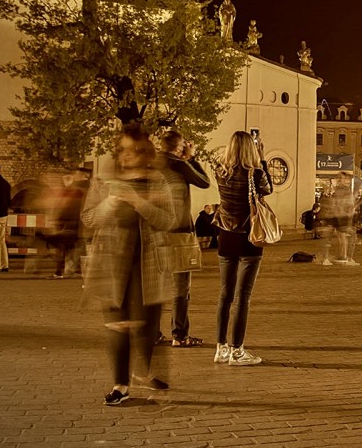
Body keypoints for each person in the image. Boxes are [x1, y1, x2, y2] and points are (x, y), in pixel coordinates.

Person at [81, 125, 179, 405]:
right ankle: (120, 385)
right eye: (123, 149)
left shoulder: (156, 180)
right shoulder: (104, 181)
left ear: (145, 152)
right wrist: (109, 205)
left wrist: (139, 202)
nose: (128, 155)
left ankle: (145, 372)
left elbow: (168, 220)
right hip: (111, 263)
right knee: (118, 325)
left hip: (148, 263)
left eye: (135, 150)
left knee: (147, 327)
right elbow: (89, 219)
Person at [209, 130, 274, 365]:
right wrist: (263, 159)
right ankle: (237, 350)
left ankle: (220, 348)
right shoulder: (255, 173)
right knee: (242, 297)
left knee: (225, 295)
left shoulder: (220, 172)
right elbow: (269, 189)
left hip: (226, 236)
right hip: (249, 237)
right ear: (251, 148)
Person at [159, 129, 211, 348]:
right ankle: (179, 335)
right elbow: (204, 182)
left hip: (155, 231)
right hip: (178, 233)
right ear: (179, 147)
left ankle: (152, 333)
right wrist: (191, 158)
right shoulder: (178, 164)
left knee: (157, 286)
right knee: (181, 288)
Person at [38, 168, 86, 279]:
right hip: (69, 227)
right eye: (65, 179)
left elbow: (68, 210)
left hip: (69, 227)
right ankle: (67, 270)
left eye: (68, 178)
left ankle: (61, 271)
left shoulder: (74, 193)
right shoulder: (73, 193)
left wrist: (61, 223)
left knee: (61, 249)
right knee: (64, 250)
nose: (65, 181)